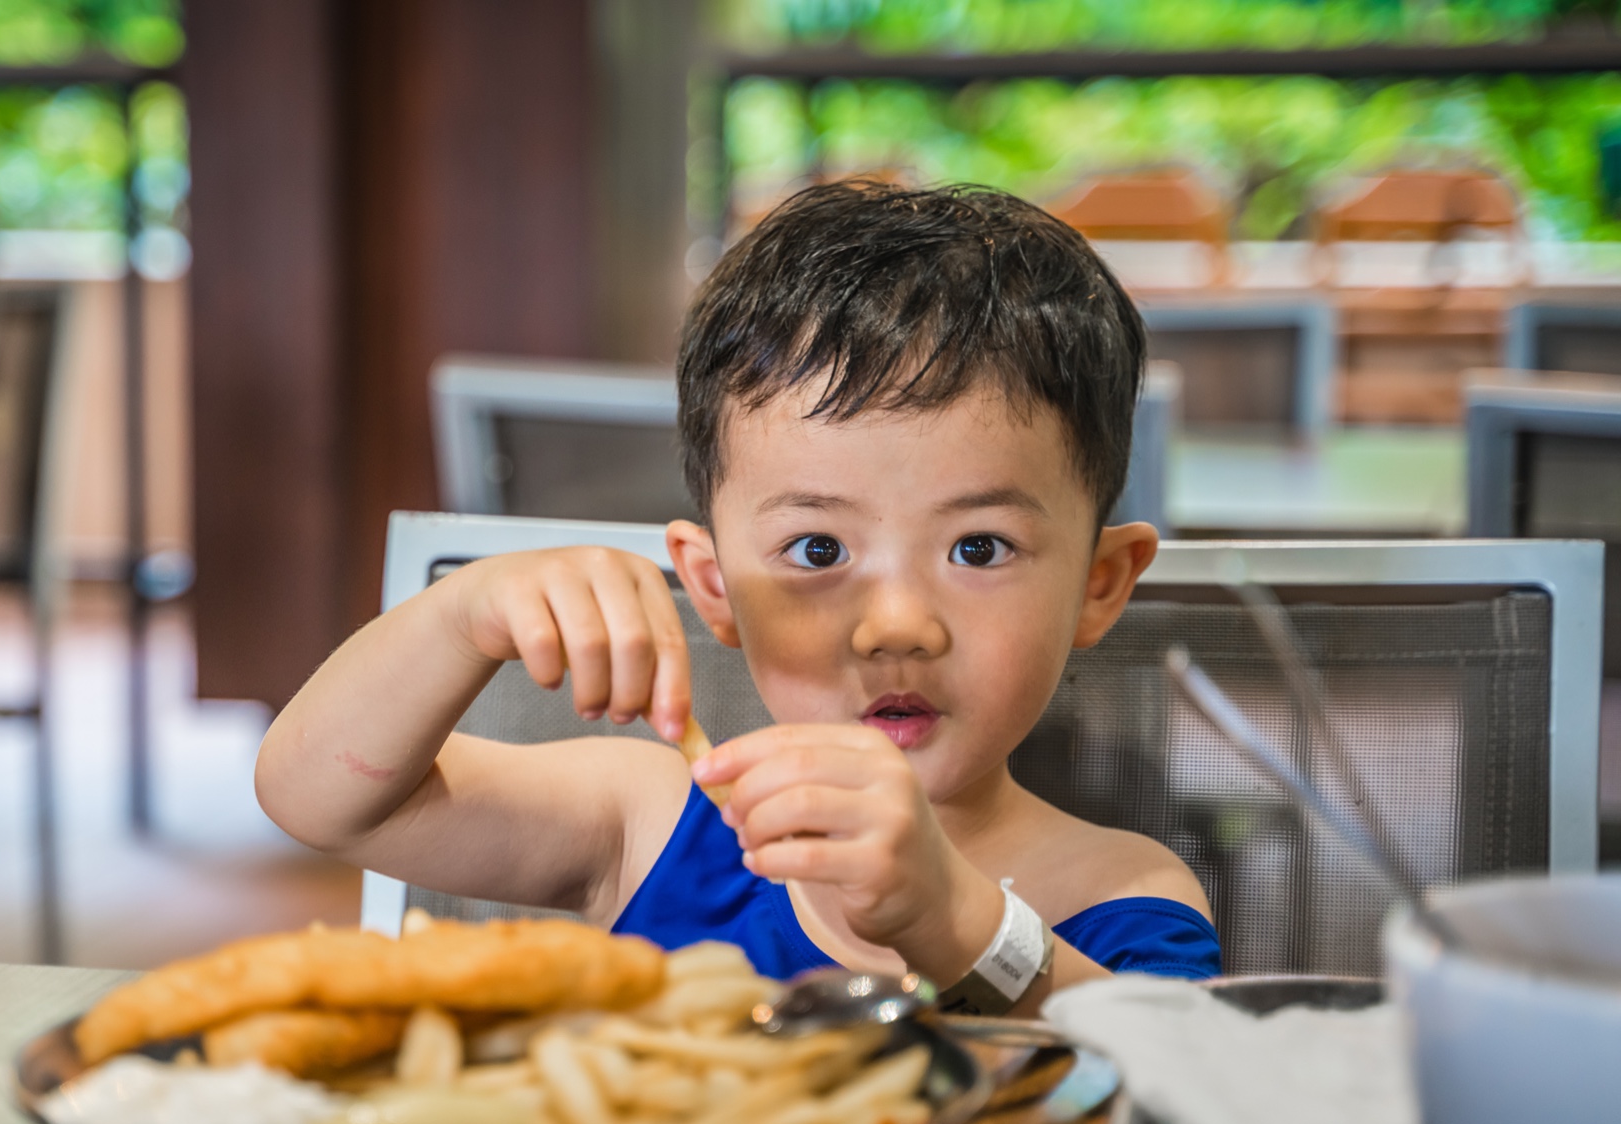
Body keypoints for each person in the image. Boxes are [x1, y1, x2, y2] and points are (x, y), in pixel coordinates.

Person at [255, 182, 1221, 1016]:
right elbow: (320, 800)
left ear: (1099, 586)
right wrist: (463, 614)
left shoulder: (1122, 890)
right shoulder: (653, 823)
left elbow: (1183, 1088)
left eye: (979, 546)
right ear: (714, 587)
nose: (896, 626)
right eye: (816, 547)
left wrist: (958, 921)